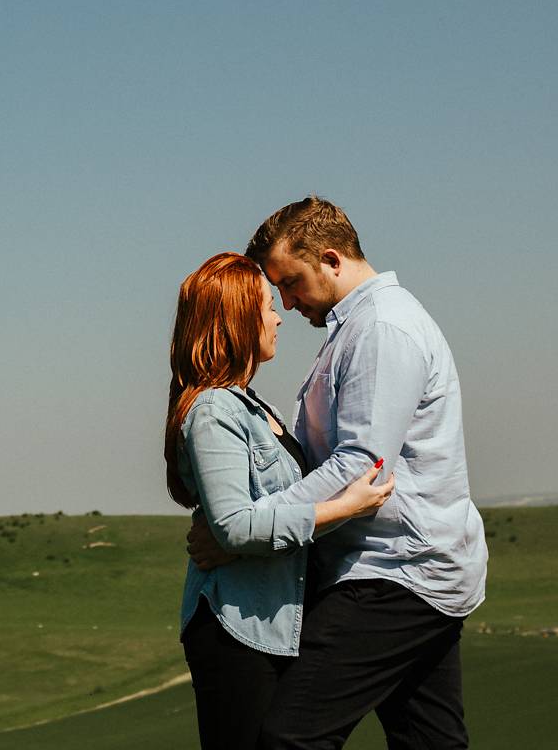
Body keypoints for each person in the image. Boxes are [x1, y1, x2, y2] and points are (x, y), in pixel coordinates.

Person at [189, 198, 487, 750]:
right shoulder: (360, 328)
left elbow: (360, 467)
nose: (286, 301)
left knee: (290, 738)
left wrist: (247, 533)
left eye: (291, 282)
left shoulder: (382, 330)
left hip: (393, 573)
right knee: (431, 741)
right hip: (419, 569)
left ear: (330, 259)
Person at [167, 251, 395, 750]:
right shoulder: (212, 410)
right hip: (237, 629)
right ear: (235, 318)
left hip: (277, 622)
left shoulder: (254, 405)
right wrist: (345, 507)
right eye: (266, 304)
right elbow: (233, 526)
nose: (278, 315)